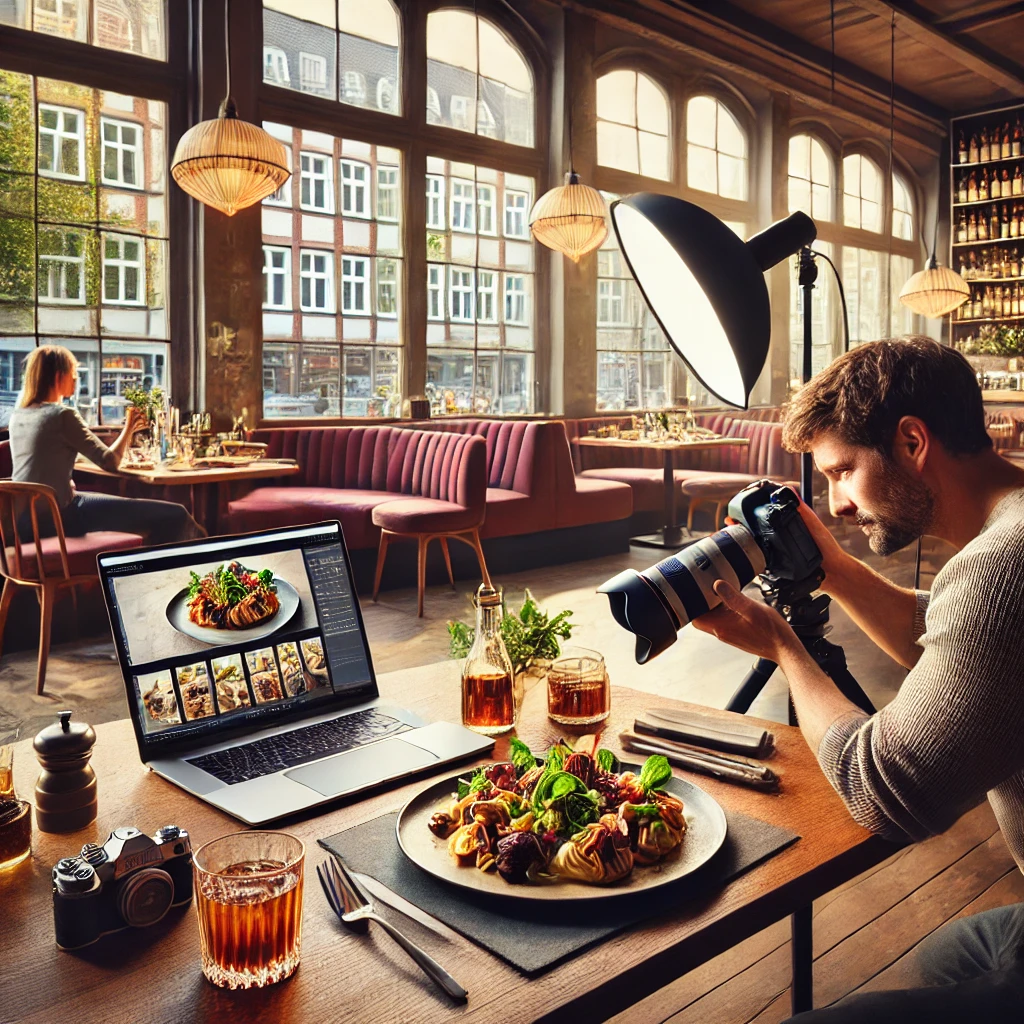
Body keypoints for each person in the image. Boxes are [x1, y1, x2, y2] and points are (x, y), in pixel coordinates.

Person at [691, 337, 1024, 1021]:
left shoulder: (1001, 566)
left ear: (910, 442)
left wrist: (783, 646)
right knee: (946, 959)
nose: (838, 504)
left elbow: (882, 789)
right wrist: (831, 569)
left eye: (842, 471)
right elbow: (958, 645)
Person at [8, 345, 202, 543]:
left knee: (139, 508)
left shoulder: (19, 415)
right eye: (73, 373)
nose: (76, 379)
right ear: (59, 376)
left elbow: (43, 461)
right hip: (57, 517)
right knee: (176, 514)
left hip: (22, 521)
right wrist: (130, 426)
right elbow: (109, 462)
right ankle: (194, 558)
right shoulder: (61, 415)